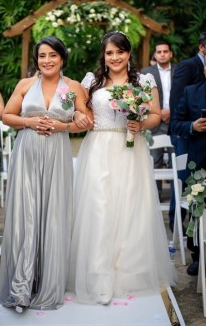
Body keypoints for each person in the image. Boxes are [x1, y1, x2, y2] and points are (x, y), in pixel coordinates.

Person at [67, 31, 176, 305]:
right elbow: (78, 111)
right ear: (103, 56)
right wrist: (78, 115)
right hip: (99, 148)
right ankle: (98, 275)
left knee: (130, 206)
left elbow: (154, 114)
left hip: (130, 149)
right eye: (109, 53)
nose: (115, 57)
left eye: (120, 52)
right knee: (100, 206)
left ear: (129, 54)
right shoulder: (91, 81)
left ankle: (128, 274)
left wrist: (141, 124)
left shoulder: (144, 81)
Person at [0, 36, 93, 312]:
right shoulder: (25, 85)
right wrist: (28, 121)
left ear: (62, 58)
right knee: (26, 215)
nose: (47, 60)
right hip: (27, 152)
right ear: (37, 60)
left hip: (56, 155)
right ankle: (21, 287)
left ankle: (47, 281)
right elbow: (7, 115)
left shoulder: (73, 87)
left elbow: (84, 121)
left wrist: (65, 125)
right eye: (42, 56)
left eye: (52, 55)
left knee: (52, 215)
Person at [169, 31, 206, 275]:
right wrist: (192, 126)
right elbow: (175, 123)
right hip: (200, 162)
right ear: (204, 67)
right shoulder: (191, 91)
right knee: (197, 208)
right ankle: (199, 255)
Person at [142, 42, 176, 205]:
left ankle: (176, 197)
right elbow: (143, 98)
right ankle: (156, 198)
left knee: (175, 158)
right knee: (155, 161)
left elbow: (183, 94)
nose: (162, 54)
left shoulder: (179, 71)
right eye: (159, 52)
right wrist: (158, 112)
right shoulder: (146, 73)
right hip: (155, 122)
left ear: (171, 54)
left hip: (175, 122)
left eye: (165, 51)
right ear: (154, 55)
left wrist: (171, 111)